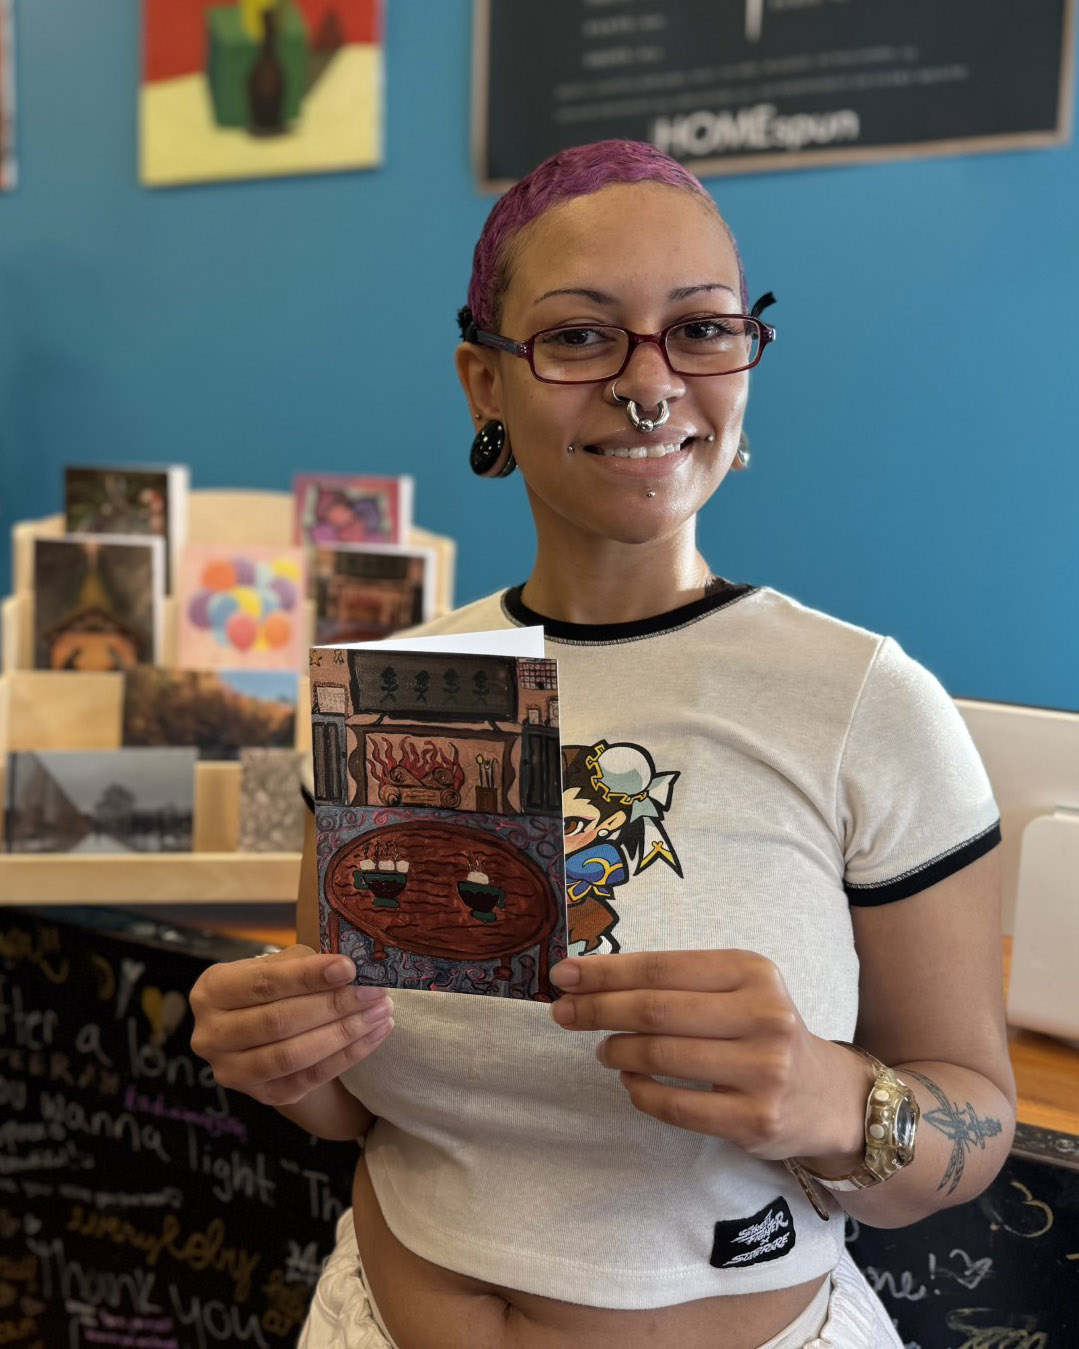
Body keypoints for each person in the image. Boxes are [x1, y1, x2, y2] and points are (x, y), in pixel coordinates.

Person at [189, 140, 1016, 1349]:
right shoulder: (391, 694)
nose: (649, 385)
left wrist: (830, 1095)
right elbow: (356, 1108)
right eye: (580, 336)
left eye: (699, 328)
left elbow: (975, 1123)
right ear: (485, 382)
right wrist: (279, 1054)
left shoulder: (865, 703)